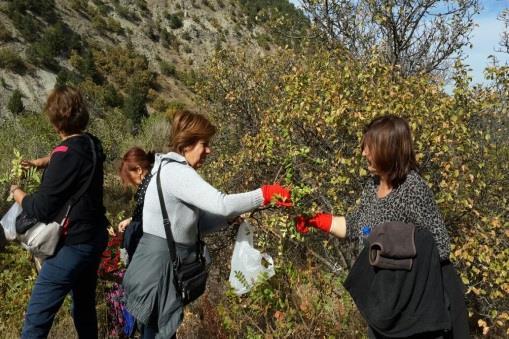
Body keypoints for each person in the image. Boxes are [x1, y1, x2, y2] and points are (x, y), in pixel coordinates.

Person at [123, 109, 292, 339]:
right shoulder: (177, 172)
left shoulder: (167, 169)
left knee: (156, 331)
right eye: (205, 144)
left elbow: (195, 226)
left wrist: (228, 218)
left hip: (157, 265)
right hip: (160, 269)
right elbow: (222, 203)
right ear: (188, 144)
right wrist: (264, 194)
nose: (209, 150)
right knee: (158, 333)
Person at [296, 115, 468, 338]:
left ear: (388, 149)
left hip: (417, 307)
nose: (363, 153)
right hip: (387, 301)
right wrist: (315, 220)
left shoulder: (412, 189)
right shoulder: (373, 185)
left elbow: (440, 246)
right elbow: (357, 225)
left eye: (369, 147)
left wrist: (391, 241)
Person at [10, 86, 109, 339]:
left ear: (56, 122)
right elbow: (66, 154)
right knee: (84, 307)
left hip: (74, 245)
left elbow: (41, 208)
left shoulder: (66, 156)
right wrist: (40, 162)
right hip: (95, 238)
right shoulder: (92, 143)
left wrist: (18, 193)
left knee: (36, 319)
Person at [117, 147, 155, 262]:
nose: (129, 182)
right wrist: (131, 219)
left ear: (139, 170)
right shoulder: (148, 183)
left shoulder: (151, 186)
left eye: (129, 176)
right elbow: (148, 211)